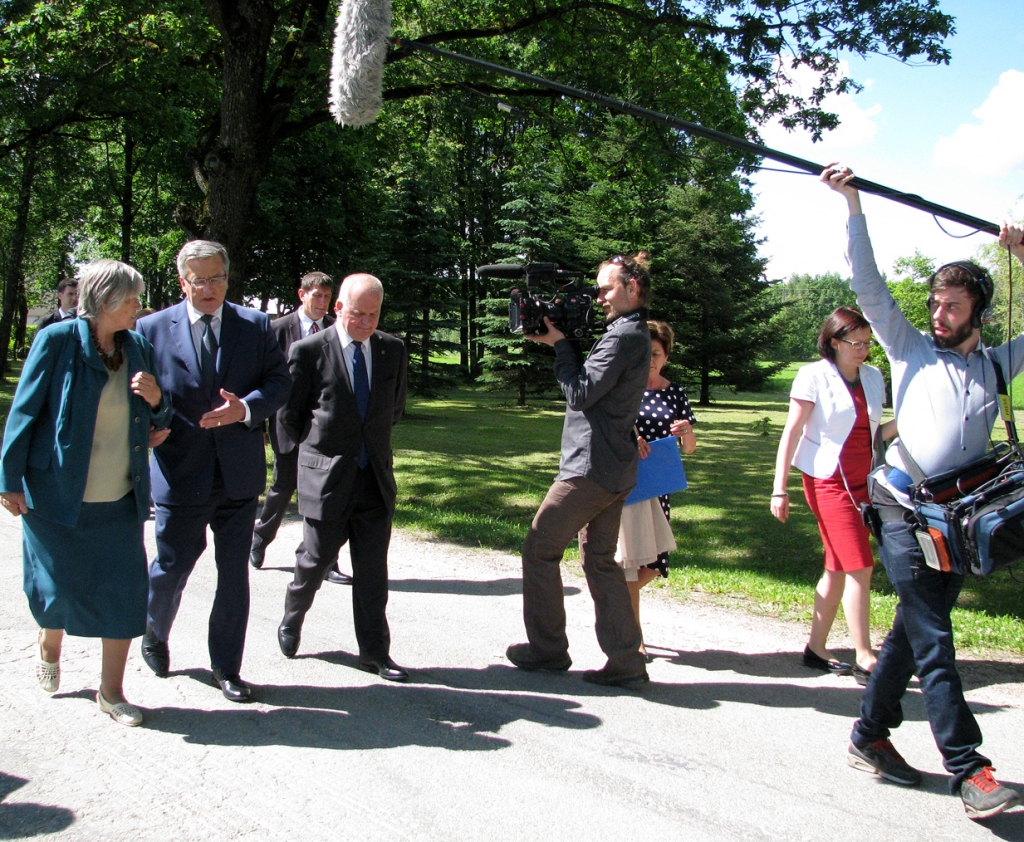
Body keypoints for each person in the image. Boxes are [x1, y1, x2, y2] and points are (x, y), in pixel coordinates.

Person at [824, 165, 1024, 819]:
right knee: (936, 637)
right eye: (936, 303)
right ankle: (971, 769)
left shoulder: (996, 361)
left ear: (979, 314)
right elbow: (869, 286)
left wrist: (1022, 253)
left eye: (953, 306)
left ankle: (868, 734)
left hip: (955, 518)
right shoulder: (909, 346)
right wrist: (853, 206)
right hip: (901, 508)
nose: (938, 313)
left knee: (914, 632)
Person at [0, 260, 170, 727]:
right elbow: (24, 411)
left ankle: (111, 693)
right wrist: (8, 479)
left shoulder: (136, 346)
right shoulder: (55, 341)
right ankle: (49, 642)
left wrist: (158, 403)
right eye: (132, 298)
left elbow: (159, 418)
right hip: (56, 495)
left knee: (124, 594)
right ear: (105, 301)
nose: (138, 307)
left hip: (118, 497)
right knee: (59, 592)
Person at [136, 240, 291, 702]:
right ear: (183, 282)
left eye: (217, 278)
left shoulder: (255, 325)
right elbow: (135, 394)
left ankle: (226, 667)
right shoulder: (150, 328)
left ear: (228, 277)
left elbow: (279, 382)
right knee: (172, 566)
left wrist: (245, 409)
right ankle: (153, 631)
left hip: (238, 474)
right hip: (180, 469)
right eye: (199, 280)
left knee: (233, 574)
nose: (209, 288)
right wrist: (147, 425)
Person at [506, 253, 652, 687]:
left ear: (633, 288)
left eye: (606, 288)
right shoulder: (630, 332)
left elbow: (580, 392)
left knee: (539, 550)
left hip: (590, 470)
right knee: (600, 561)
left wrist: (560, 346)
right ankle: (626, 660)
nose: (599, 296)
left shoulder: (624, 336)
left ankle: (548, 650)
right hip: (614, 466)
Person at [276, 273, 409, 681]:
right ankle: (292, 617)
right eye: (357, 314)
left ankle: (374, 652)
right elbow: (288, 418)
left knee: (372, 574)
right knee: (314, 562)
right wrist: (315, 458)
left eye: (374, 314)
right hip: (328, 480)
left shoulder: (392, 349)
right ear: (338, 308)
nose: (366, 322)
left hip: (374, 480)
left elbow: (395, 408)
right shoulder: (309, 351)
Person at [771, 307, 891, 683]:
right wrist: (779, 488)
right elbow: (791, 432)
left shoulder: (873, 377)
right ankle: (865, 655)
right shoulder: (813, 376)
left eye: (868, 343)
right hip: (827, 481)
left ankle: (816, 648)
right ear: (835, 342)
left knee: (838, 566)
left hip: (864, 481)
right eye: (856, 343)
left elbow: (873, 433)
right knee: (861, 564)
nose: (864, 350)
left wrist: (909, 421)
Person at [250, 271, 351, 585]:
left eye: (326, 296)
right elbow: (261, 379)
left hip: (322, 430)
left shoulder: (337, 332)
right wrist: (259, 422)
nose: (322, 302)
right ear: (302, 294)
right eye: (316, 295)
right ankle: (259, 538)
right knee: (283, 488)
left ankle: (325, 560)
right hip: (286, 423)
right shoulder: (278, 330)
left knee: (326, 495)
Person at [615, 320, 696, 655]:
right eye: (645, 352)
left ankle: (615, 601)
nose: (651, 359)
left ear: (666, 356)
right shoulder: (622, 387)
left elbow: (690, 448)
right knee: (632, 563)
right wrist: (630, 437)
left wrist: (685, 431)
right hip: (627, 483)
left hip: (658, 484)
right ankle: (635, 640)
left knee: (655, 562)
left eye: (657, 354)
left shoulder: (675, 392)